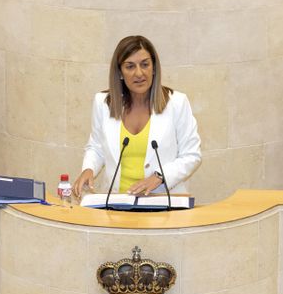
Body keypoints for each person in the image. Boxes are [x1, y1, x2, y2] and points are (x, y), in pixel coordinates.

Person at [73, 35, 201, 198]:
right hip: (117, 201)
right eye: (130, 66)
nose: (139, 73)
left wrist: (159, 177)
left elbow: (192, 155)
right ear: (120, 72)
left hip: (162, 201)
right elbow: (96, 147)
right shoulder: (103, 103)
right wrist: (88, 169)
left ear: (154, 68)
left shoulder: (177, 103)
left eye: (145, 64)